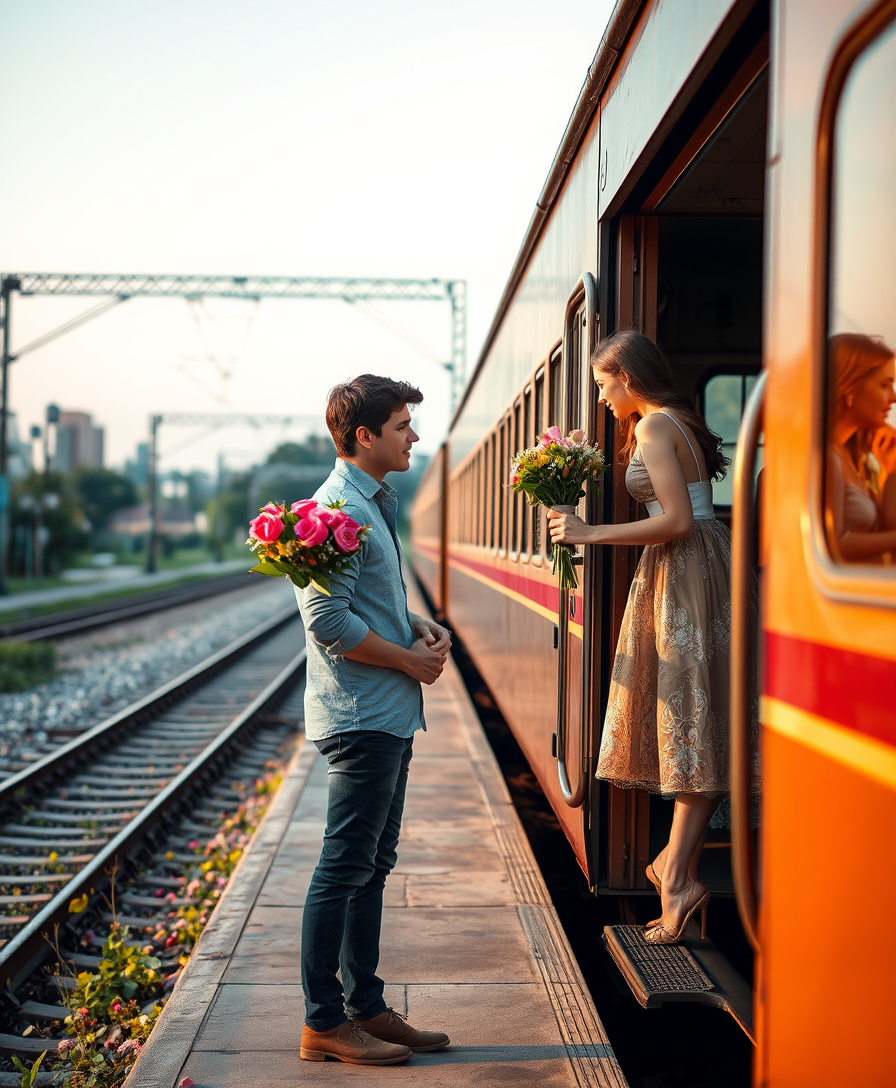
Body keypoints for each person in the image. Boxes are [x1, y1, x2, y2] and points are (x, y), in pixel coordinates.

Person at [547, 330, 739, 945]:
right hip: (697, 571)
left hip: (682, 573)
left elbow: (678, 521)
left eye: (604, 384)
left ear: (628, 377)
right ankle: (675, 870)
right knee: (697, 721)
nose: (601, 397)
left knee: (688, 720)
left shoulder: (656, 428)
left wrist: (586, 533)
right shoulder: (679, 420)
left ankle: (677, 874)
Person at [296, 374, 452, 1065]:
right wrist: (406, 663)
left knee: (372, 865)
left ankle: (366, 1007)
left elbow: (365, 596)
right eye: (401, 426)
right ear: (365, 436)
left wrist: (415, 625)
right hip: (362, 714)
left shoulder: (370, 502)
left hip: (383, 713)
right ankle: (324, 1022)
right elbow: (326, 619)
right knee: (343, 867)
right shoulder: (337, 507)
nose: (413, 436)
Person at [827, 332, 896, 561]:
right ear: (851, 388)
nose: (893, 397)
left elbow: (884, 529)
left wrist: (891, 469)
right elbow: (835, 545)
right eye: (885, 385)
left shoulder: (850, 455)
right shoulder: (827, 458)